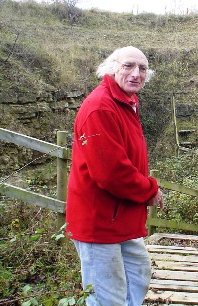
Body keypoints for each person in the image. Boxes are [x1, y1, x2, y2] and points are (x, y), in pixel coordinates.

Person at [65, 46, 164, 305]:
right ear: (112, 68)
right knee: (107, 296)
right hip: (100, 219)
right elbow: (111, 173)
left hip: (122, 216)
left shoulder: (124, 103)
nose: (136, 74)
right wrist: (149, 190)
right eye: (128, 66)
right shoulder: (101, 107)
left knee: (138, 275)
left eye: (142, 68)